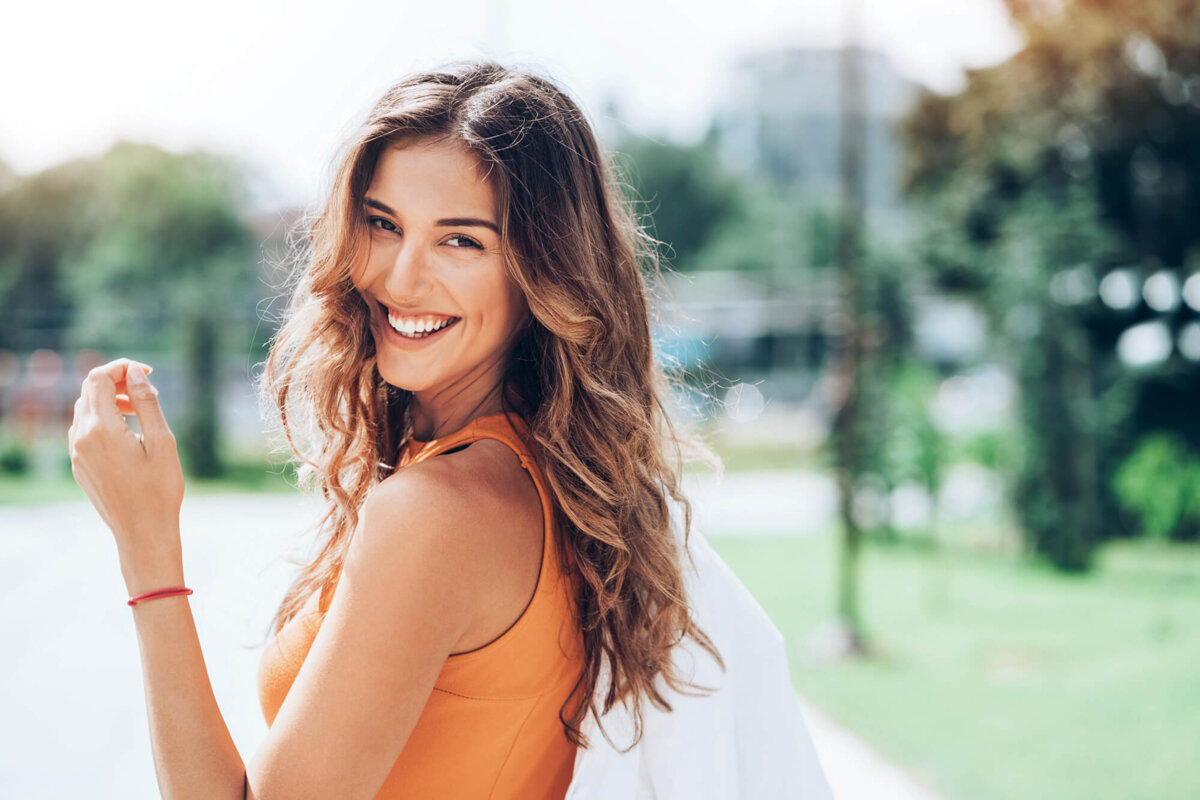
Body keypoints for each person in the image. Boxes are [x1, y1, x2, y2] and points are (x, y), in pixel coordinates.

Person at [66, 61, 738, 799]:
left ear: (542, 272)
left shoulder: (439, 512)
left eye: (461, 241)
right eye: (383, 224)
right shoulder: (544, 478)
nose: (400, 278)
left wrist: (147, 547)